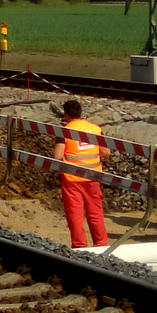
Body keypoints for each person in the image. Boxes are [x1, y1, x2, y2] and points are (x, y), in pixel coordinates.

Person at [54, 99, 111, 248]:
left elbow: (58, 157)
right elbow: (106, 151)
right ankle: (101, 245)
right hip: (93, 176)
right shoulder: (95, 129)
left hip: (71, 179)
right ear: (80, 113)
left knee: (75, 214)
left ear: (66, 115)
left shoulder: (65, 131)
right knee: (95, 213)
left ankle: (79, 246)